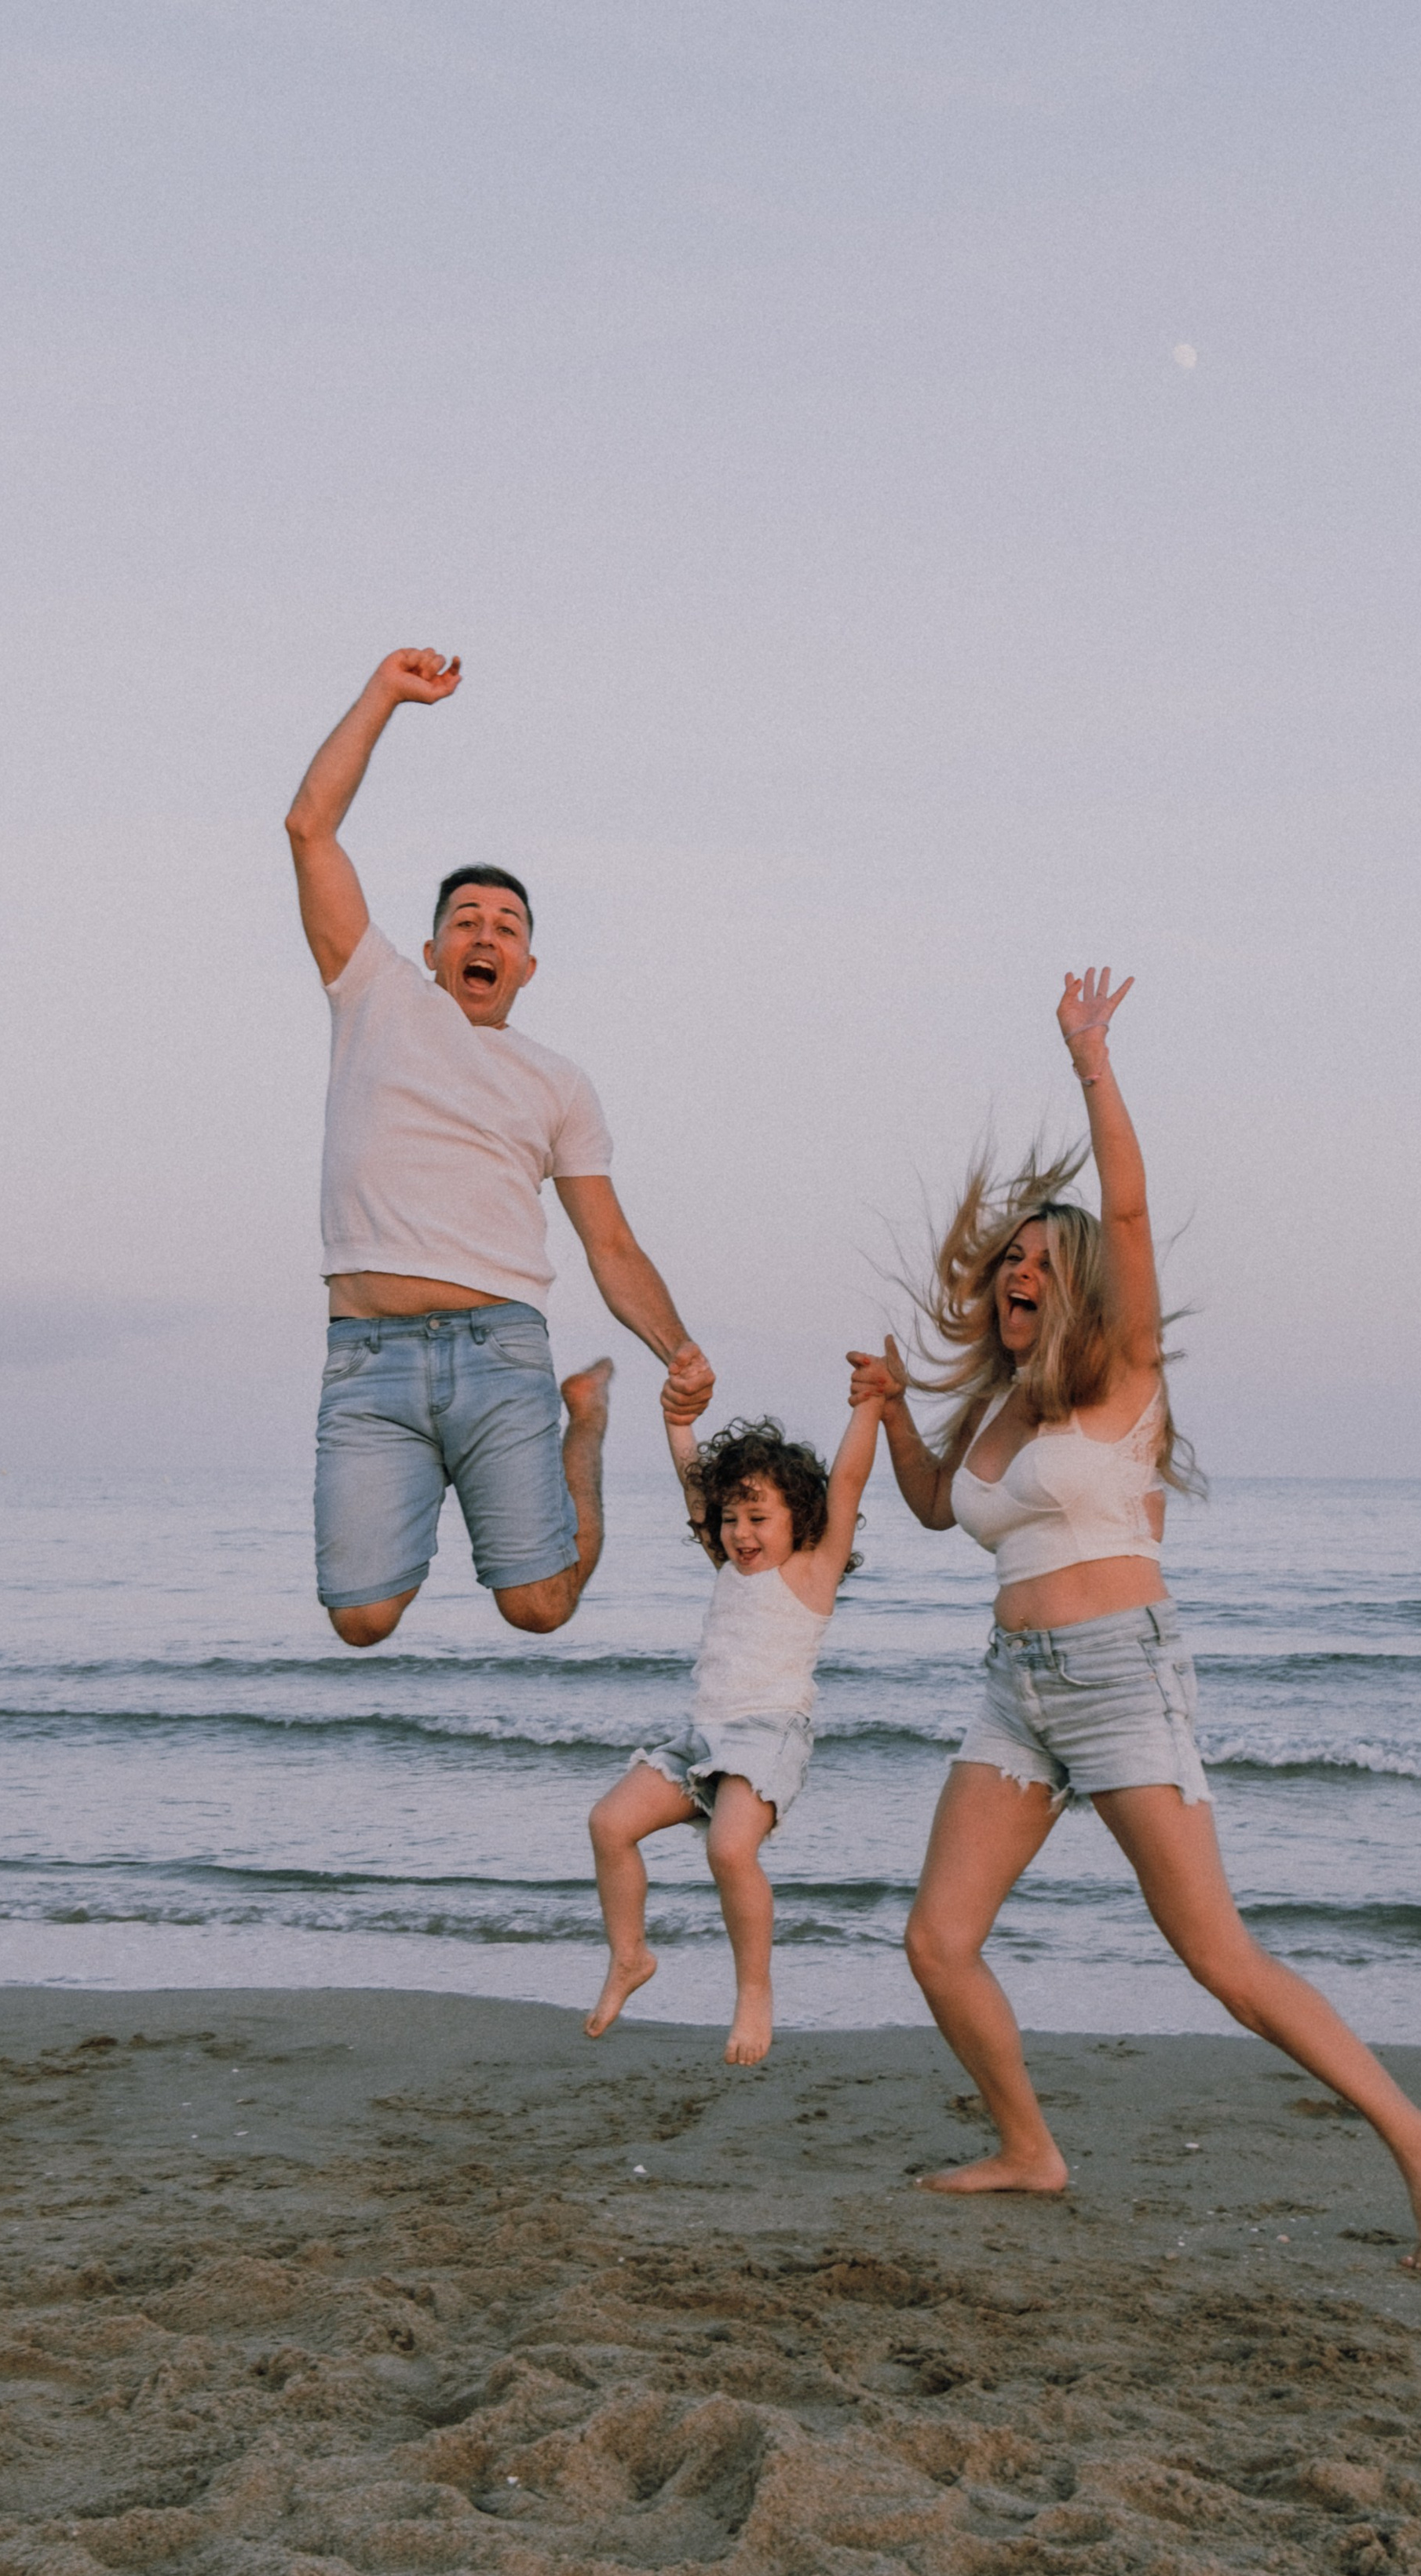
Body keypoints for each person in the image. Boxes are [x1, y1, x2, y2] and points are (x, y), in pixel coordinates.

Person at [846, 968, 1421, 2268]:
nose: (1021, 1272)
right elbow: (926, 1507)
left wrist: (1091, 1063)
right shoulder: (998, 1411)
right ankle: (1030, 2149)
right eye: (1010, 1259)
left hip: (1124, 1673)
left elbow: (1125, 1205)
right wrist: (897, 1408)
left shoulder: (1124, 1378)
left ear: (1079, 1289)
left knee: (1218, 1958)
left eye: (1042, 1261)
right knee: (937, 1940)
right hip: (1013, 1686)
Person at [284, 646, 713, 1647]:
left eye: (506, 925)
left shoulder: (558, 1080)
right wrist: (386, 694)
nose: (485, 933)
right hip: (367, 1358)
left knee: (540, 1608)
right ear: (431, 951)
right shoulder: (373, 995)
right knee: (361, 1620)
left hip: (500, 1351)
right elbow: (310, 828)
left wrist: (676, 1350)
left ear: (525, 962)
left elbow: (611, 1245)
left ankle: (585, 1425)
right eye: (464, 920)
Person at [586, 1375, 886, 2066]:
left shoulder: (813, 1571)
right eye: (730, 1519)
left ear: (799, 1519)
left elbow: (847, 1481)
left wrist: (869, 1404)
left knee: (728, 1851)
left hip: (768, 1733)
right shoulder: (728, 1565)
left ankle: (754, 1993)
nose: (741, 1533)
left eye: (759, 1517)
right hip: (702, 1737)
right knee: (609, 1824)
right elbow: (696, 1485)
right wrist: (676, 1422)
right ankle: (629, 1958)